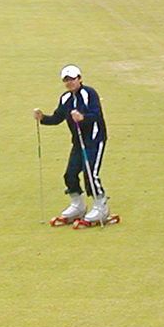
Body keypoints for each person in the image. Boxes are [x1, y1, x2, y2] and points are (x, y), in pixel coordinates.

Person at [33, 65, 112, 226]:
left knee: (90, 174)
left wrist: (82, 117)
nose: (69, 82)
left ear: (79, 79)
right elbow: (57, 118)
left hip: (94, 139)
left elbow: (96, 114)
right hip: (78, 141)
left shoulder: (89, 93)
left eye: (72, 79)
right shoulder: (65, 98)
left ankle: (101, 205)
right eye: (66, 80)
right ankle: (78, 205)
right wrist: (42, 118)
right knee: (70, 174)